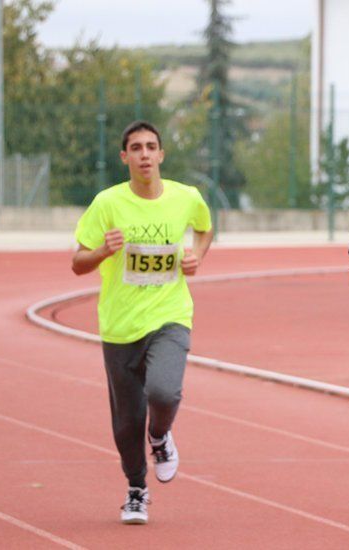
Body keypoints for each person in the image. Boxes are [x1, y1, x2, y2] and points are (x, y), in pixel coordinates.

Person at [72, 120, 214, 525]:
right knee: (126, 422)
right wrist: (102, 251)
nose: (145, 154)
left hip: (170, 315)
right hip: (119, 325)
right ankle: (136, 490)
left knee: (164, 391)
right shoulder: (107, 203)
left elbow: (204, 229)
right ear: (125, 157)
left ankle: (160, 436)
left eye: (152, 147)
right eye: (136, 148)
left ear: (162, 154)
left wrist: (197, 256)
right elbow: (77, 263)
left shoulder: (186, 198)